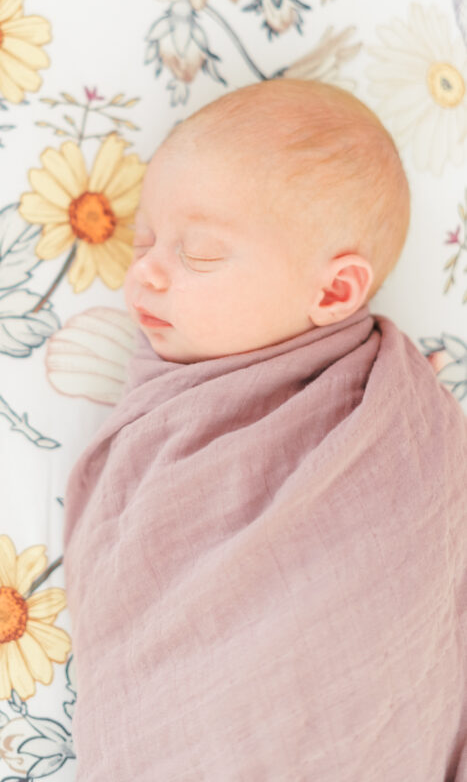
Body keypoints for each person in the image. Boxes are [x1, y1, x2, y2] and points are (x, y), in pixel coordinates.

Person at [63, 79, 467, 781]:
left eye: (201, 255)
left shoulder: (396, 413)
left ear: (334, 293)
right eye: (145, 240)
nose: (146, 275)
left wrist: (417, 429)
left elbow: (418, 554)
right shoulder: (179, 399)